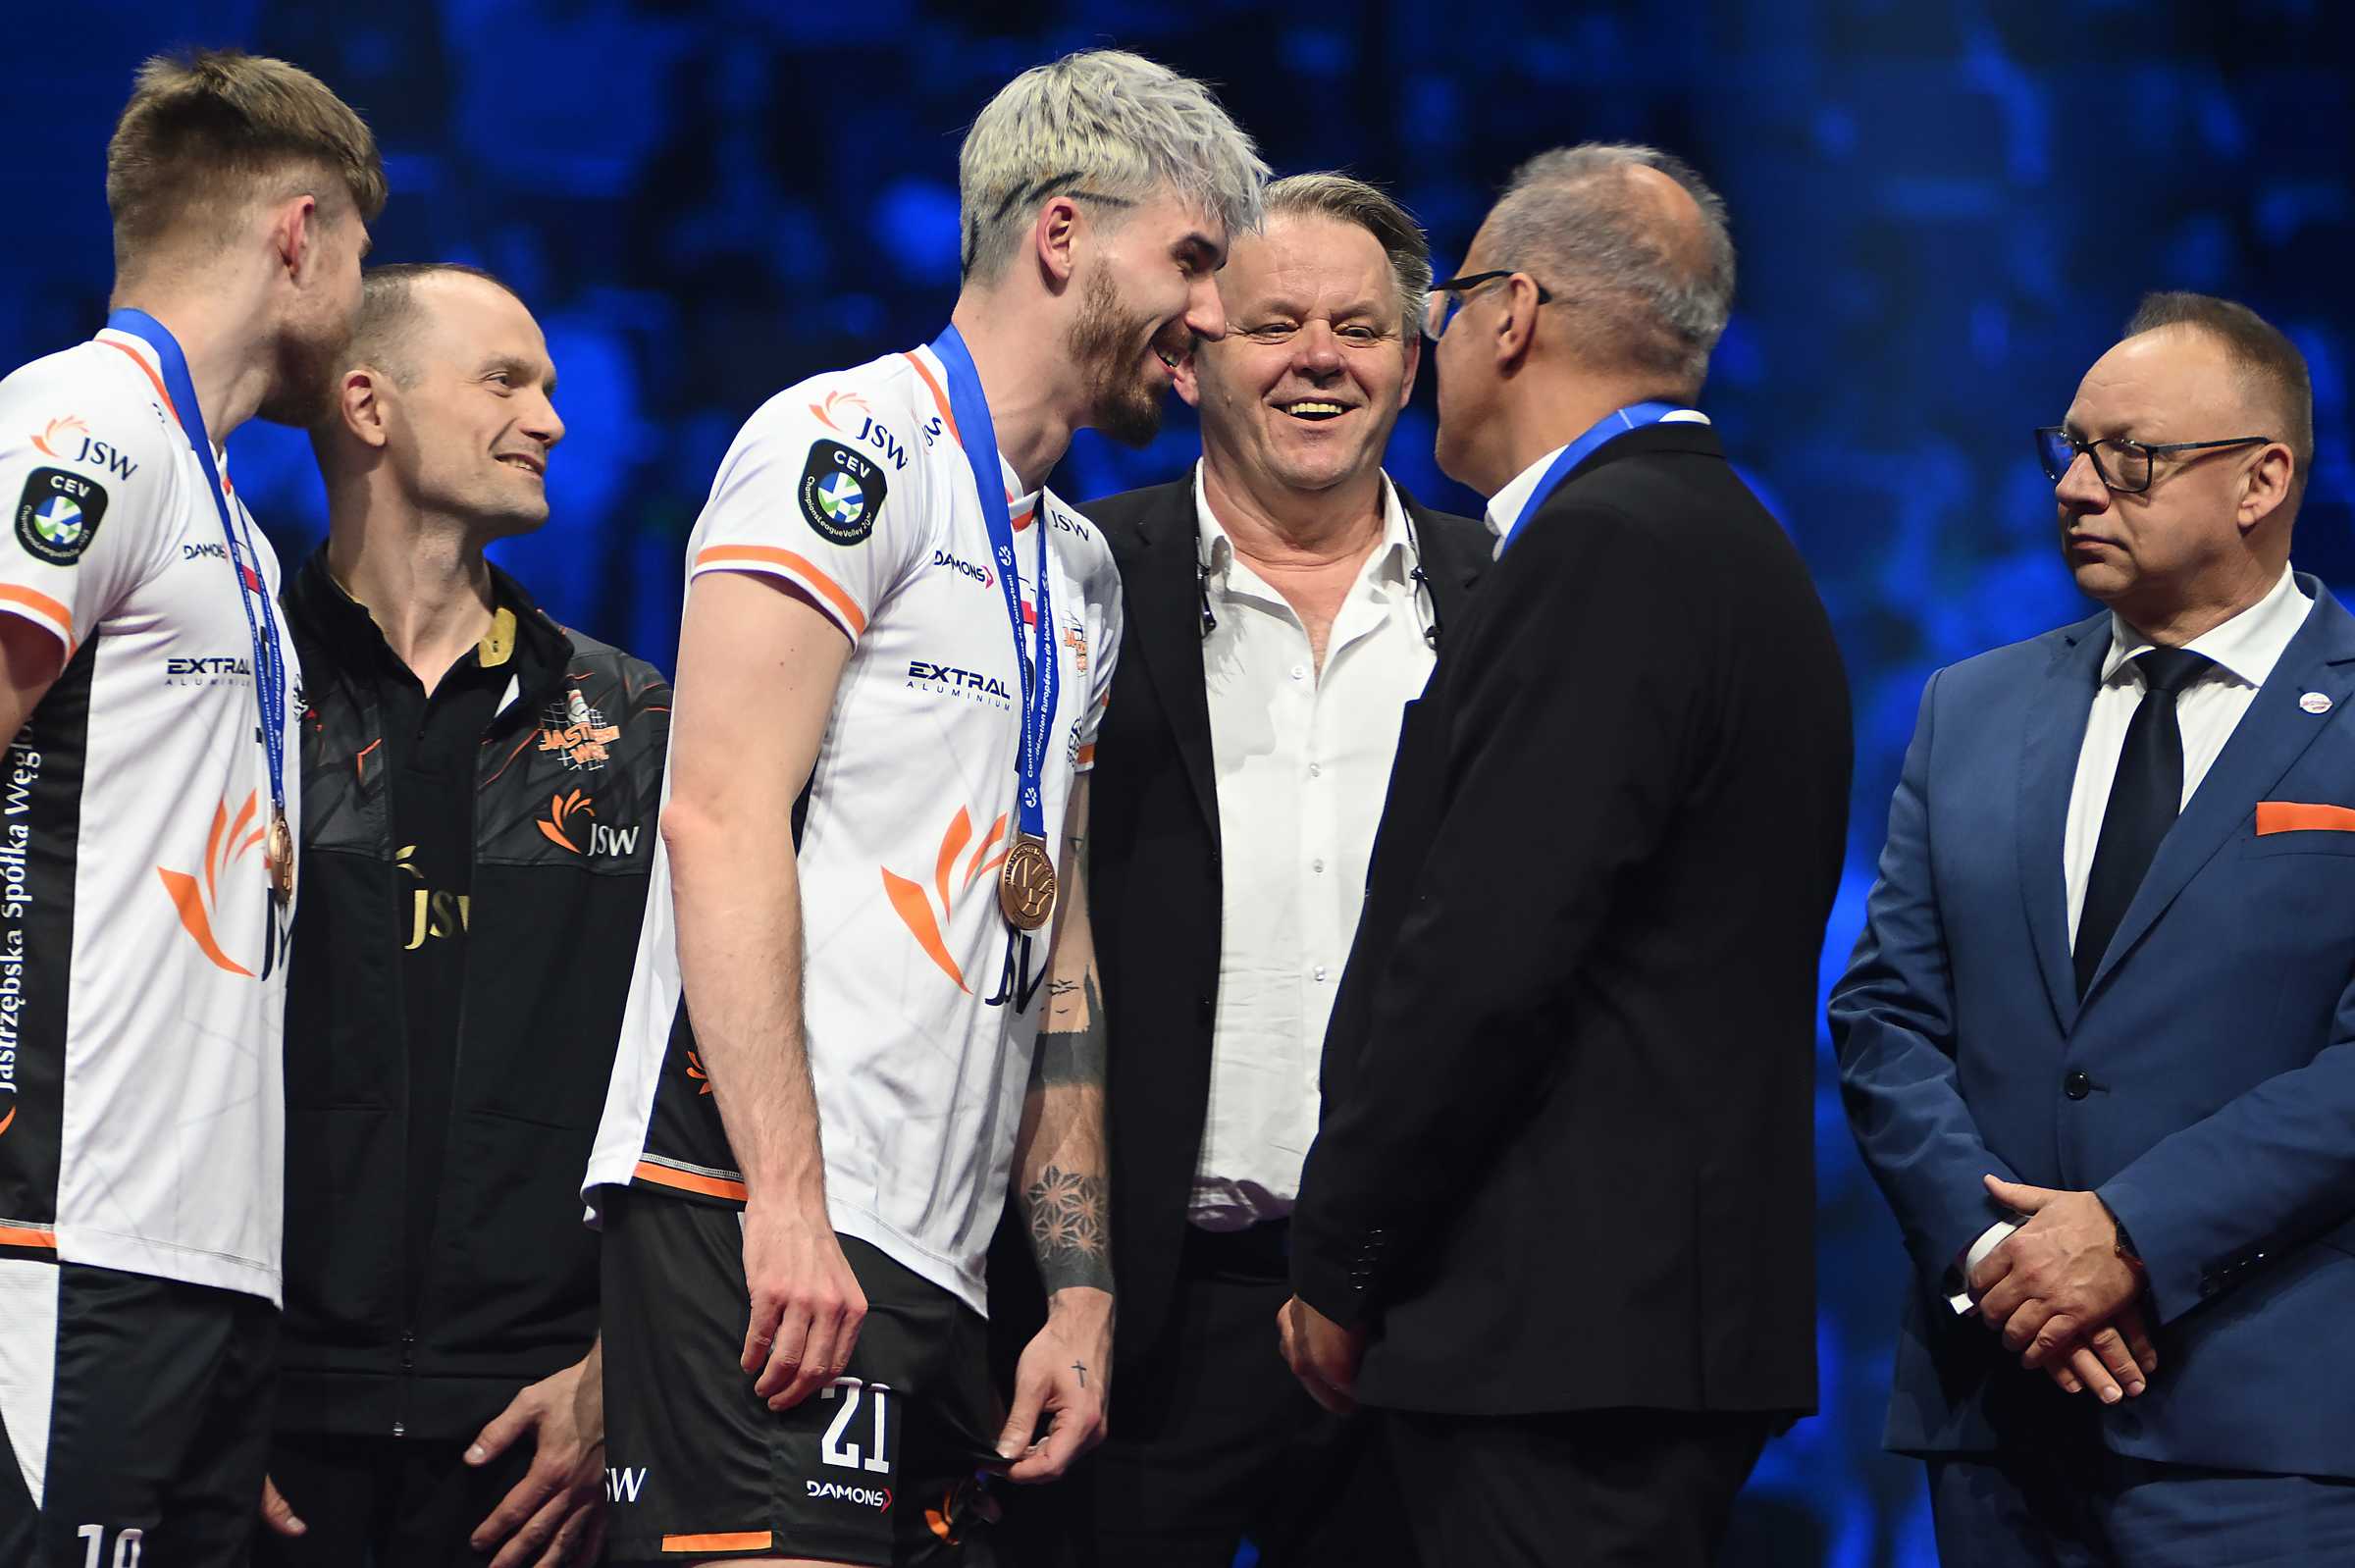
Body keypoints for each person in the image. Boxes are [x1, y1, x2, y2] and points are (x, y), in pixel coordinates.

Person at [582, 49, 1266, 1567]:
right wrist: (786, 1203)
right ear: (1064, 235)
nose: (1215, 315)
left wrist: (1078, 1288)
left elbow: (1055, 939)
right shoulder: (843, 448)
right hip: (755, 1213)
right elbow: (715, 814)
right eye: (1194, 259)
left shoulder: (1082, 573)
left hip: (931, 1255)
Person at [1280, 142, 1852, 1568]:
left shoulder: (1605, 549)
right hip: (1640, 1331)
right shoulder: (1736, 543)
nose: (1434, 344)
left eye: (1443, 306)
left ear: (1513, 313)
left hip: (1558, 1340)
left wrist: (1344, 1255)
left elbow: (1485, 958)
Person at [987, 171, 1484, 1568]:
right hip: (1137, 1318)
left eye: (1360, 328)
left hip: (1428, 1318)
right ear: (1191, 357)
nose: (1320, 357)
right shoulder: (1073, 579)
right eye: (1275, 325)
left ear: (1412, 362)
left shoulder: (1509, 595)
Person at [1832, 292, 2355, 1563]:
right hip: (1998, 1411)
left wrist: (2132, 1234)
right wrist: (1995, 1253)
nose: (2074, 487)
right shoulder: (1971, 707)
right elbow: (1886, 1014)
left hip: (2264, 1435)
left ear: (2262, 480)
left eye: (2131, 456)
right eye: (2067, 449)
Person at [0, 48, 382, 1565]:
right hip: (63, 1235)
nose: (363, 298)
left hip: (200, 1266)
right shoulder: (80, 421)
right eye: (361, 254)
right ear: (299, 234)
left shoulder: (228, 516)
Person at [252, 264, 669, 1567]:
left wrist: (619, 1363)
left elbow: (696, 1070)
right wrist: (180, 1361)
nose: (551, 418)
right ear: (367, 405)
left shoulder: (632, 722)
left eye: (548, 387)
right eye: (506, 381)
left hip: (535, 1436)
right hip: (263, 1410)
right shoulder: (229, 695)